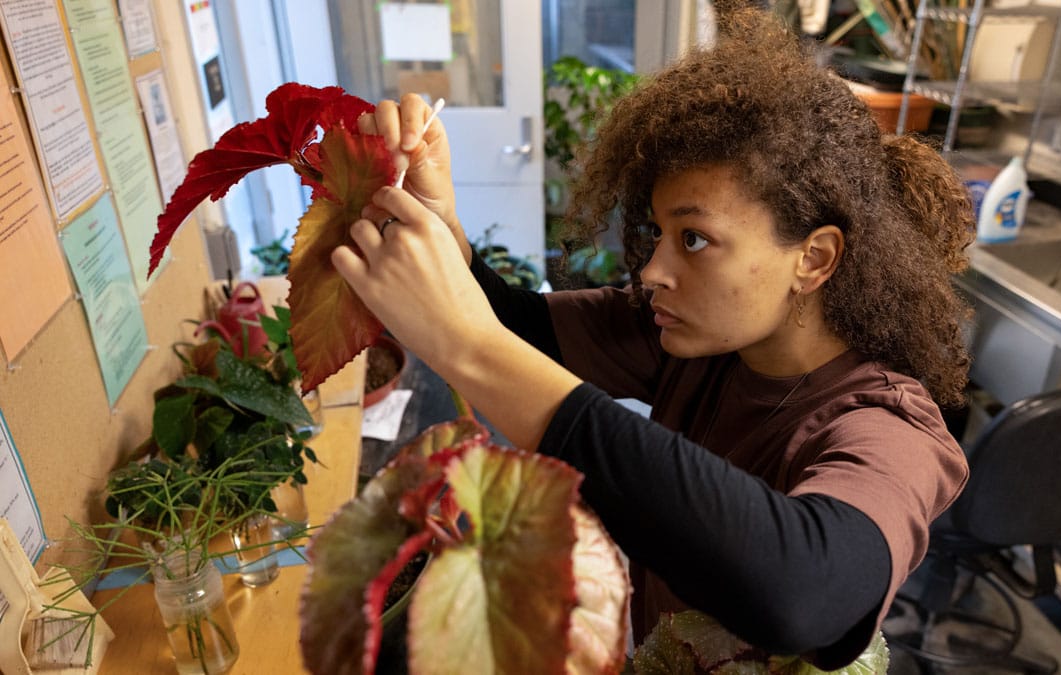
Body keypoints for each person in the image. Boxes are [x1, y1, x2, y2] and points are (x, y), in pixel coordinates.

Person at [335, 10, 972, 670]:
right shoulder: (696, 335)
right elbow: (522, 328)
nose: (653, 271)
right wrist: (443, 227)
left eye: (694, 239)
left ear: (813, 258)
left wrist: (468, 346)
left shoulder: (889, 428)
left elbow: (802, 592)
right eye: (661, 234)